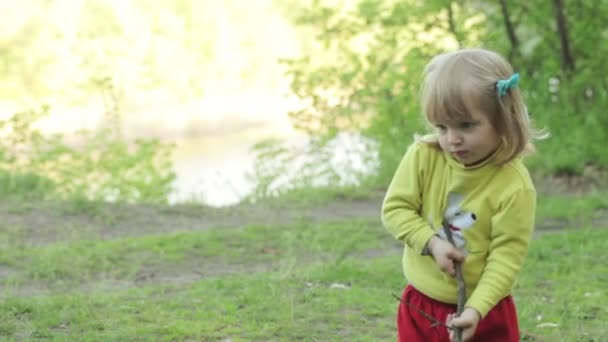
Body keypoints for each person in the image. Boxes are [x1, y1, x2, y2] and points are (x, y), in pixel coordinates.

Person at [381, 48, 546, 342]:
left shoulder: (514, 186)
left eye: (466, 125)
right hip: (421, 304)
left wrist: (476, 309)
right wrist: (431, 243)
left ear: (503, 118)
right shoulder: (425, 156)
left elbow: (505, 259)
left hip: (484, 310)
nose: (452, 139)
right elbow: (396, 209)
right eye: (441, 127)